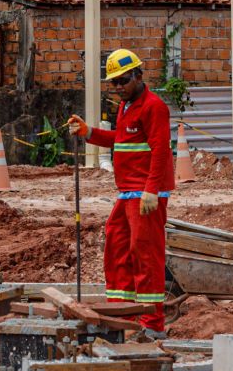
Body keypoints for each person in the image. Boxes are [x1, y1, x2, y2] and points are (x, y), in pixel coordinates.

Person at [68, 48, 175, 339]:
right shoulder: (126, 106)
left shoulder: (154, 107)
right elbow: (121, 139)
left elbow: (161, 151)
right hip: (127, 192)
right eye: (113, 83)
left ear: (139, 76)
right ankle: (123, 316)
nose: (118, 88)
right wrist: (89, 132)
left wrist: (152, 191)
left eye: (123, 80)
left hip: (144, 195)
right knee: (117, 249)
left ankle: (152, 325)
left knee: (146, 257)